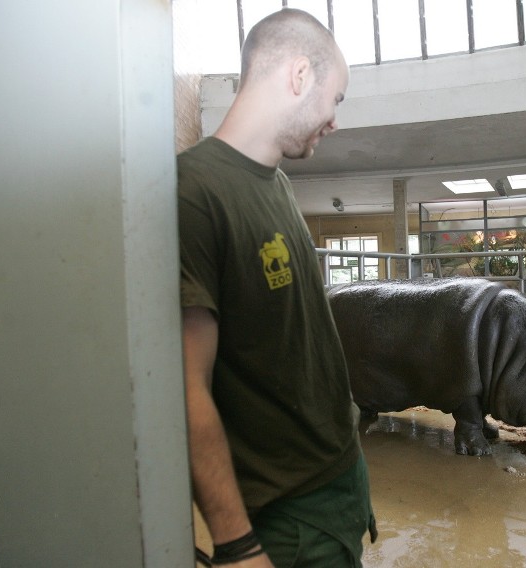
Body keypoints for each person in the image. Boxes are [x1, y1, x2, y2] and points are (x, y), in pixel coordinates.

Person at [177, 9, 376, 567]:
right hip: (288, 512)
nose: (335, 120)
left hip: (338, 478)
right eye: (336, 98)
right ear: (299, 76)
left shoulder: (281, 184)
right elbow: (184, 385)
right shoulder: (193, 191)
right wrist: (237, 544)